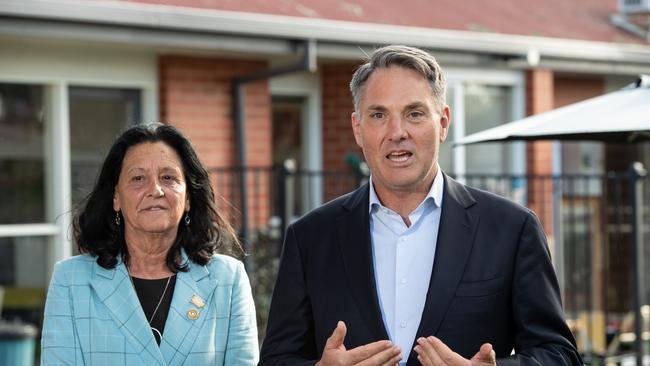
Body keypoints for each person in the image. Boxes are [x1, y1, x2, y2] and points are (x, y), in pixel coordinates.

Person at [259, 45, 582, 365]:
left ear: (442, 122)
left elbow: (559, 355)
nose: (397, 132)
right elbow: (276, 359)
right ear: (358, 128)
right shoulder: (311, 236)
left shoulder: (511, 228)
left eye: (414, 113)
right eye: (378, 115)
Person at [41, 123, 258, 365]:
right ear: (116, 198)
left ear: (187, 198)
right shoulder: (71, 281)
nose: (155, 190)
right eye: (138, 178)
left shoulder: (228, 279)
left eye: (168, 177)